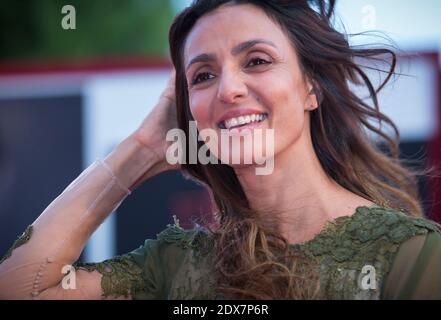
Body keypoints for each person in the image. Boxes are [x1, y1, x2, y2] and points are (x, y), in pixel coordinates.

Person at [0, 0, 440, 300]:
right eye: (203, 76)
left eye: (256, 61)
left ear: (310, 87)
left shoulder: (410, 255)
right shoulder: (174, 265)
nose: (229, 89)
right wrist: (141, 149)